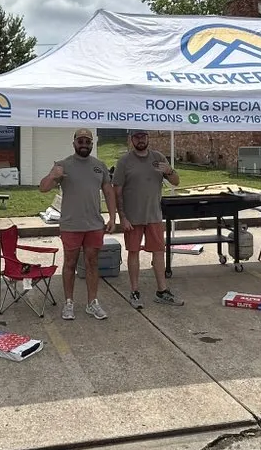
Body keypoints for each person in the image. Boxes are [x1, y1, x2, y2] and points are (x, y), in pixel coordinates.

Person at [39, 128, 116, 320]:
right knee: (70, 263)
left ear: (92, 144)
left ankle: (92, 303)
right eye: (80, 141)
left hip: (94, 225)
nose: (84, 144)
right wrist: (53, 176)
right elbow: (43, 188)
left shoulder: (99, 166)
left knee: (92, 263)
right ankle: (69, 303)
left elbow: (108, 192)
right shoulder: (63, 165)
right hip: (71, 225)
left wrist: (113, 218)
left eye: (87, 141)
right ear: (74, 143)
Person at [113, 129, 184, 309]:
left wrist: (170, 170)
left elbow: (176, 181)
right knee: (133, 252)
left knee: (159, 252)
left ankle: (162, 291)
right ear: (131, 140)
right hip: (132, 218)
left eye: (143, 136)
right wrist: (122, 217)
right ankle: (134, 291)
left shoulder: (158, 157)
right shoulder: (124, 161)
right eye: (137, 137)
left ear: (148, 138)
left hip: (154, 216)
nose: (140, 140)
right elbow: (117, 191)